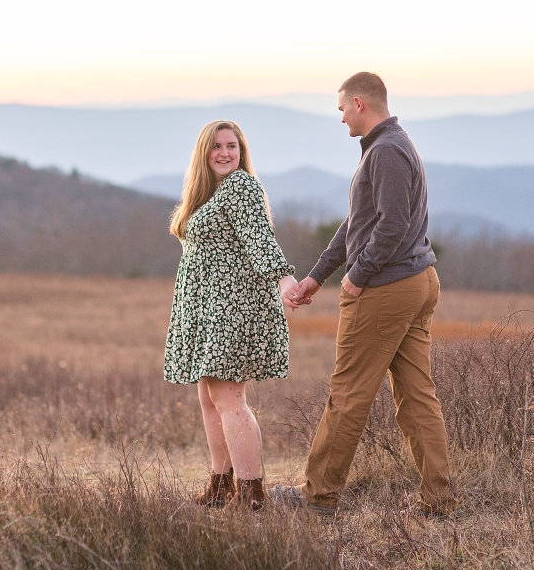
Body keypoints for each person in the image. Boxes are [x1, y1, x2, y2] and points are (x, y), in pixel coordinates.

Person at [273, 71, 457, 517]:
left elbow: (391, 225)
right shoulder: (387, 146)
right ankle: (440, 500)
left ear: (360, 103)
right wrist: (317, 275)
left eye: (341, 109)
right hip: (414, 282)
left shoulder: (387, 151)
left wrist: (357, 276)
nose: (340, 119)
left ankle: (317, 496)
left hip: (387, 288)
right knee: (416, 395)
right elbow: (358, 223)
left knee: (349, 392)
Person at [164, 120, 301, 512]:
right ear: (203, 153)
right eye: (217, 146)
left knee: (229, 399)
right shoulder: (210, 194)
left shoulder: (241, 187)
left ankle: (252, 494)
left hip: (233, 309)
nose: (225, 153)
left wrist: (285, 279)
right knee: (210, 398)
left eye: (232, 146)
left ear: (242, 153)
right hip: (209, 311)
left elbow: (260, 237)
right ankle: (222, 485)